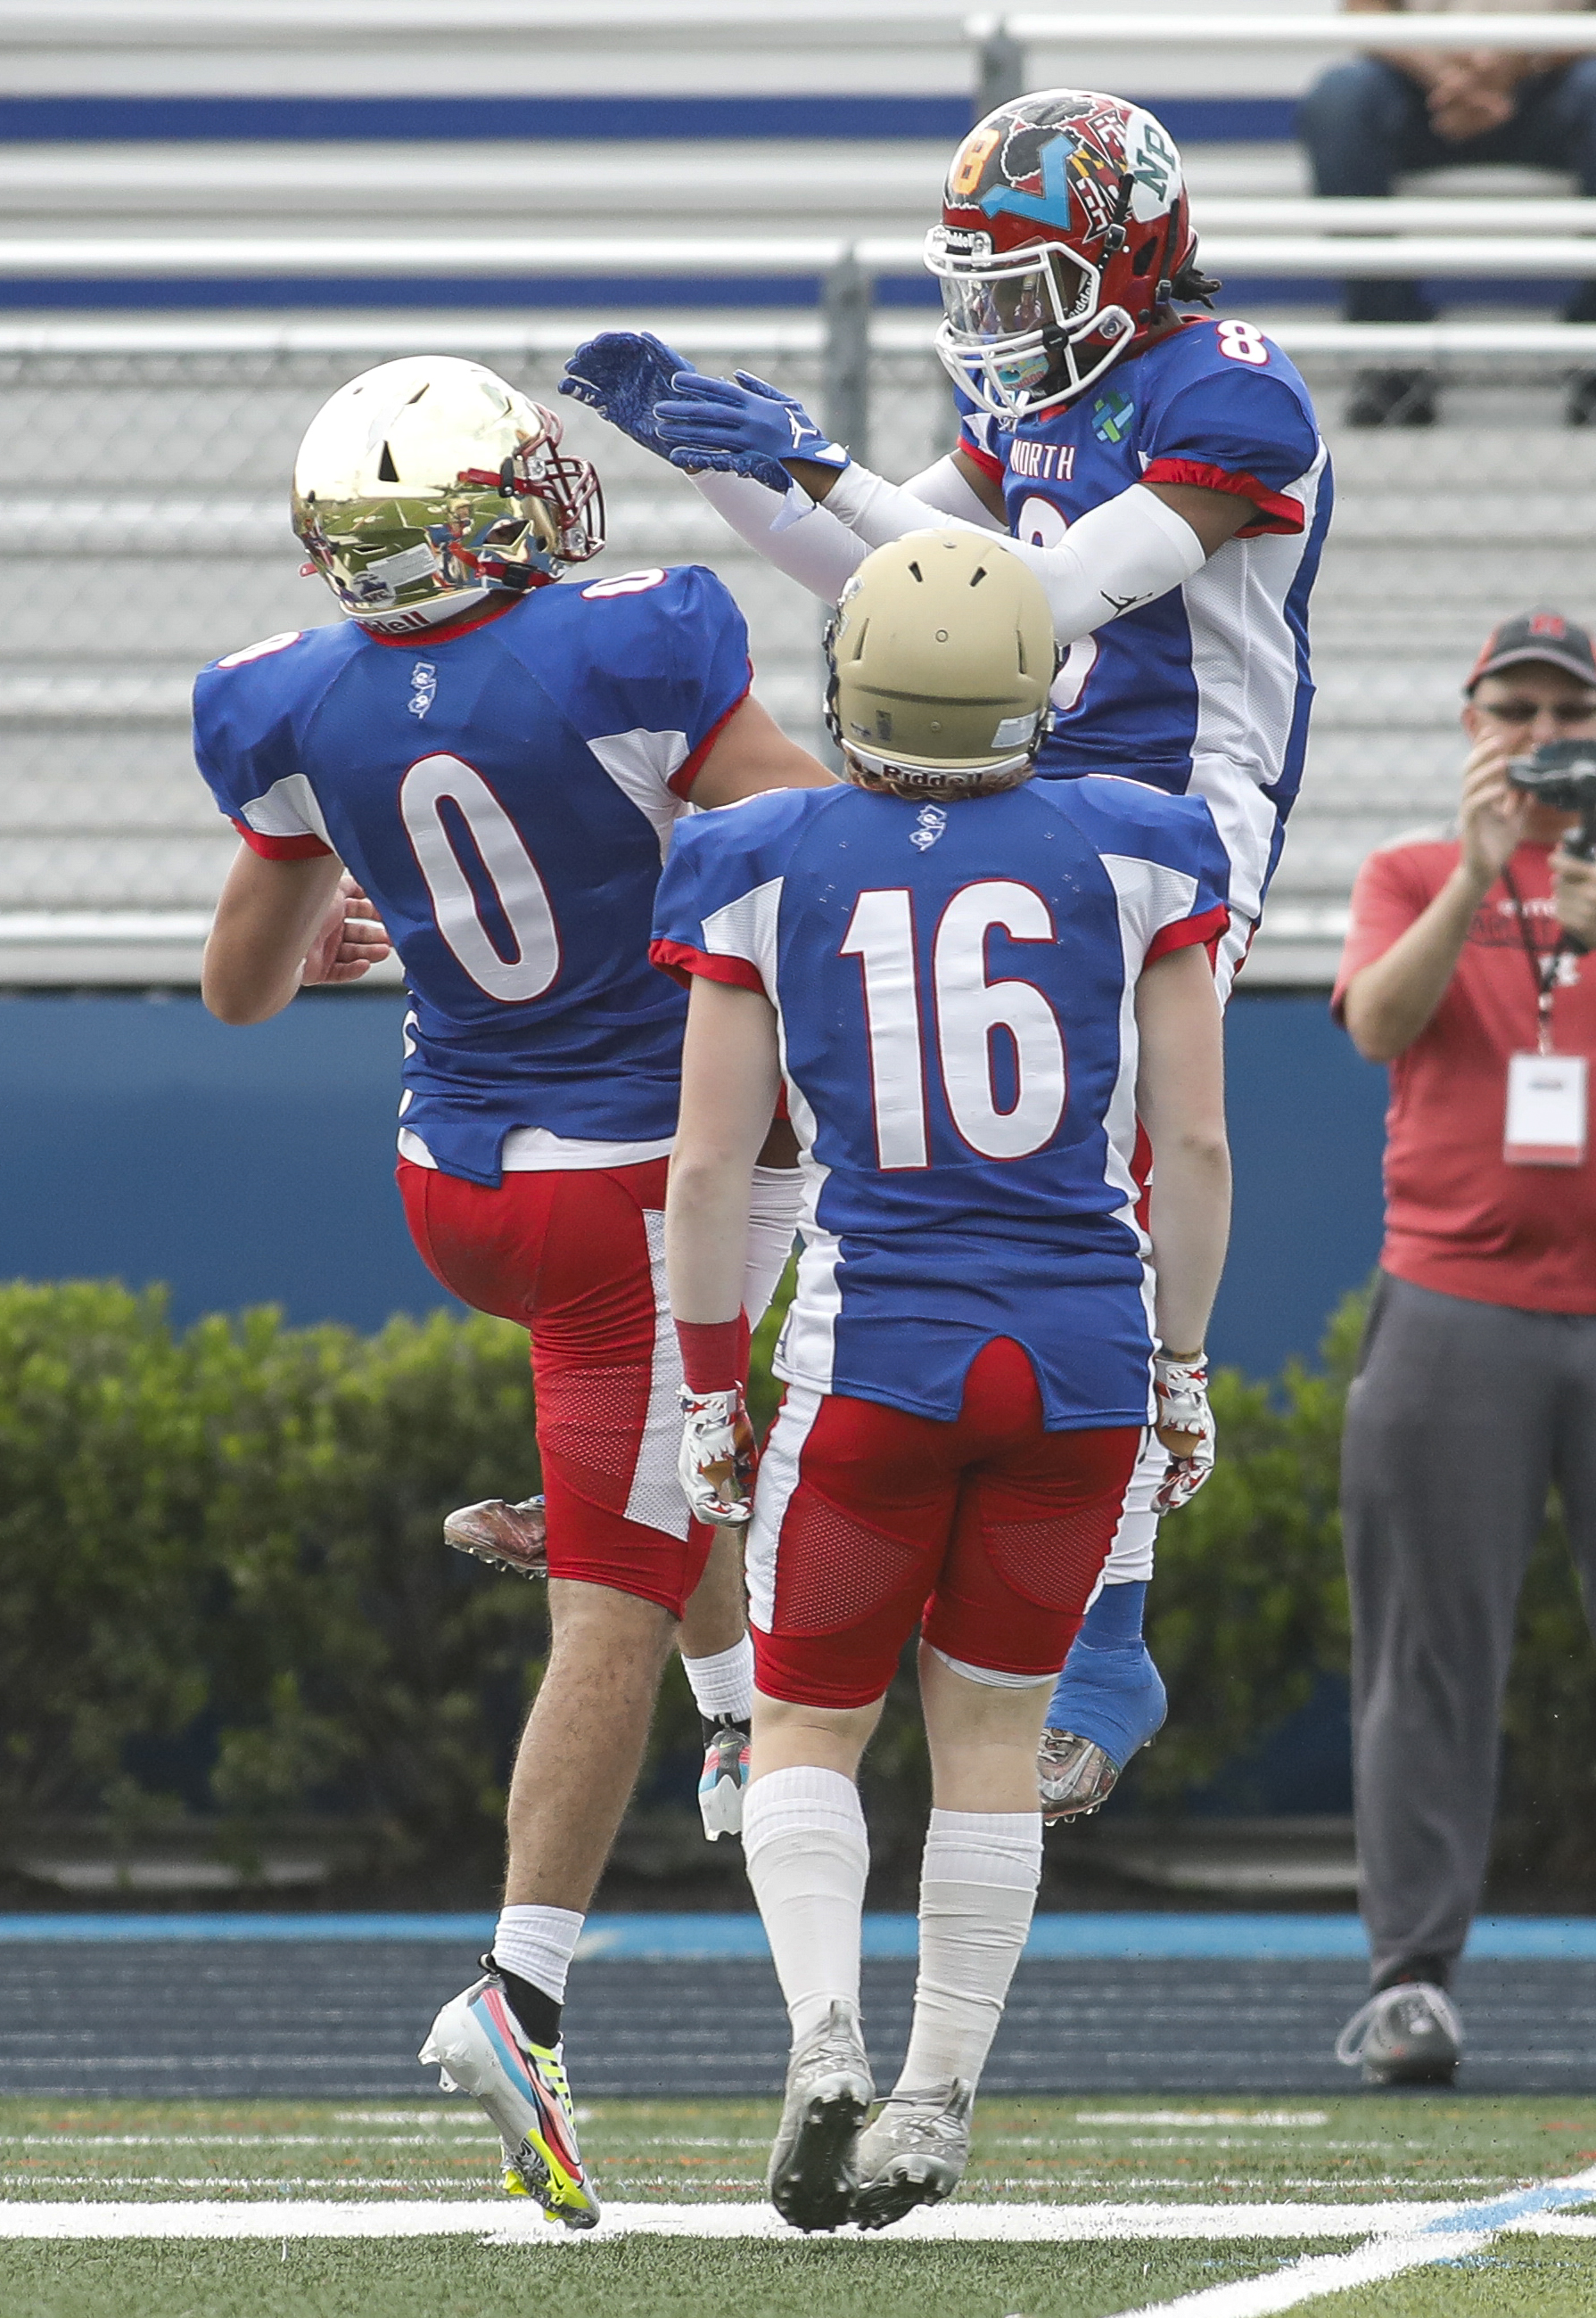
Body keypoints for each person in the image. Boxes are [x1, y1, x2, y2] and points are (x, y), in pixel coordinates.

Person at [560, 86, 1330, 1829]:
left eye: (1024, 273)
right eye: (971, 277)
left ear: (1132, 255)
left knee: (1098, 1200)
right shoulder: (1049, 391)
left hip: (1168, 838)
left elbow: (1029, 606)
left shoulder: (1230, 389)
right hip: (1014, 812)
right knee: (896, 1154)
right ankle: (707, 1477)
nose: (992, 315)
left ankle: (1111, 1629)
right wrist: (737, 462)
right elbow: (890, 581)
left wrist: (817, 453)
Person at [193, 354, 833, 2224]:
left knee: (672, 1443)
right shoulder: (624, 645)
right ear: (492, 512)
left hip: (455, 1177)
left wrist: (358, 912)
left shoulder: (290, 699)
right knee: (613, 1587)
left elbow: (239, 987)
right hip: (640, 1183)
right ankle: (522, 1990)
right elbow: (811, 858)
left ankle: (723, 1697)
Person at [654, 530, 1232, 2229]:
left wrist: (706, 1392)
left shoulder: (759, 854)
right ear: (1038, 690)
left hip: (877, 1353)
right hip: (1076, 1355)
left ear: (849, 687)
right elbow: (1189, 1141)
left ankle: (822, 2025)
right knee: (992, 1742)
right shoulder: (1137, 843)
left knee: (802, 1727)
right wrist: (1183, 1369)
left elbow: (704, 1171)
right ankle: (934, 2096)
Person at [1331, 608, 1596, 2086]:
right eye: (1517, 711)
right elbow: (1376, 1022)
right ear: (1470, 723)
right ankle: (1411, 1978)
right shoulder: (1413, 872)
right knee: (1431, 1657)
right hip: (1459, 1304)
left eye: (1569, 715)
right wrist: (1490, 871)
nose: (1543, 740)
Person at [1298, 0, 1596, 426]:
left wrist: (1521, 61)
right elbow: (1365, 10)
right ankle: (1391, 356)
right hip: (1423, 87)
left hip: (1553, 83)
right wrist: (1443, 73)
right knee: (1341, 99)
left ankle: (1591, 352)